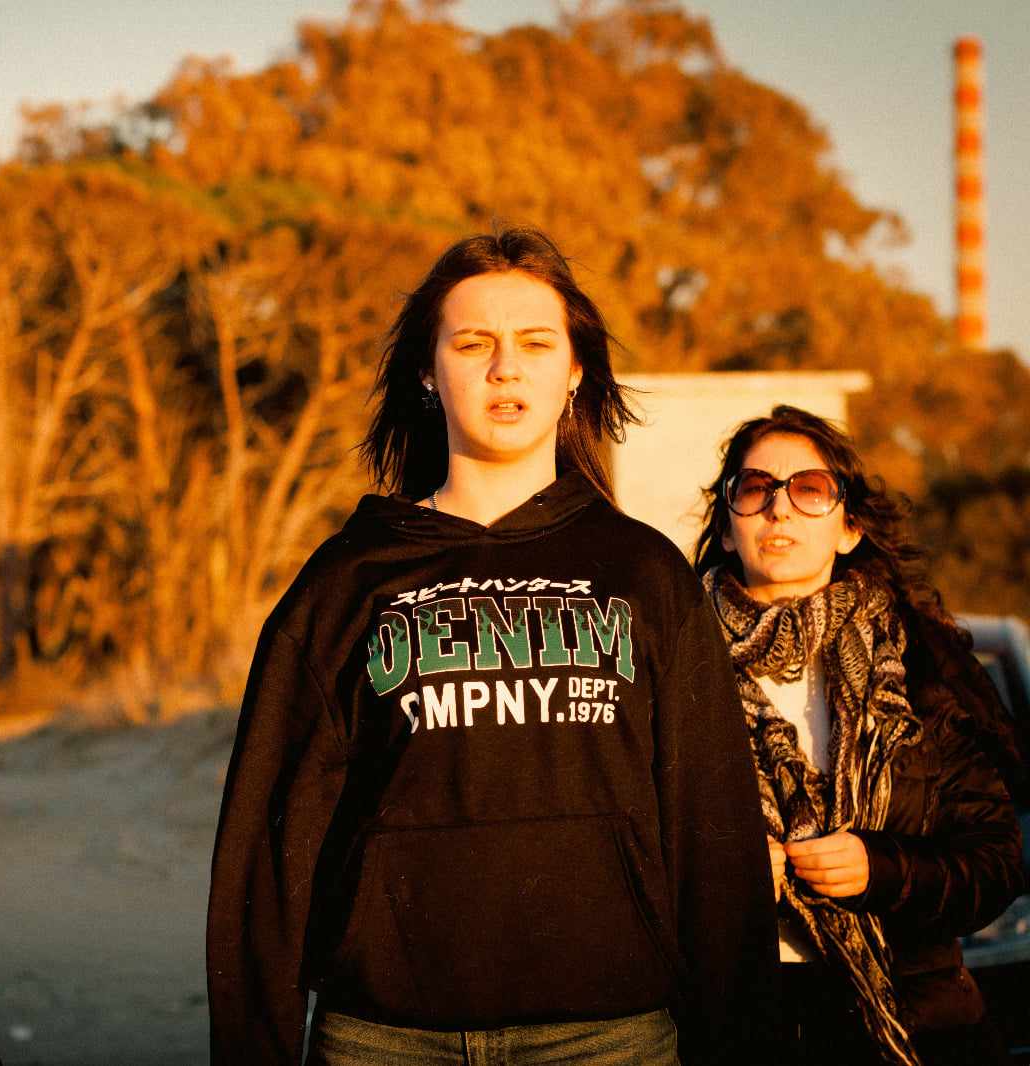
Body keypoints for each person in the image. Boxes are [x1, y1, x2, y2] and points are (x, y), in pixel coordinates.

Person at [206, 226, 778, 1066]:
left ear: (574, 372)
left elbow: (713, 833)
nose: (506, 367)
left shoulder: (642, 573)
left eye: (536, 344)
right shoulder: (348, 580)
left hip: (606, 1038)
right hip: (384, 1040)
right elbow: (266, 848)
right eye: (473, 343)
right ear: (427, 373)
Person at [693, 405, 1025, 1066]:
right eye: (755, 489)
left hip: (916, 1027)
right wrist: (720, 877)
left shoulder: (919, 667)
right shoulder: (675, 667)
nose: (779, 509)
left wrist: (882, 868)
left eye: (809, 489)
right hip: (742, 1024)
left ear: (849, 528)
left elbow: (997, 861)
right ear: (728, 529)